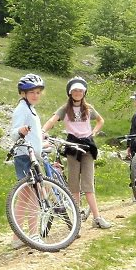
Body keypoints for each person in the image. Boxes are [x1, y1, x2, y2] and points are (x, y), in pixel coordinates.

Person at [42, 76, 110, 229]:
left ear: (84, 92)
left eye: (80, 90)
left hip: (87, 147)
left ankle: (97, 217)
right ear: (70, 92)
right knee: (74, 185)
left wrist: (94, 132)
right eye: (75, 90)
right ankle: (76, 218)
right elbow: (52, 120)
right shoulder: (65, 109)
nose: (78, 93)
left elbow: (101, 120)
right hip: (72, 147)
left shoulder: (88, 108)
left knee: (88, 184)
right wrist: (42, 131)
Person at [8, 73, 46, 248]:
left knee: (27, 197)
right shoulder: (22, 109)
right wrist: (20, 130)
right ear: (23, 93)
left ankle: (19, 237)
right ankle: (31, 234)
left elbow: (34, 134)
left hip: (31, 156)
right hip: (25, 156)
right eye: (31, 92)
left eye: (38, 92)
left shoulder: (30, 108)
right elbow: (14, 133)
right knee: (31, 197)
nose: (35, 95)